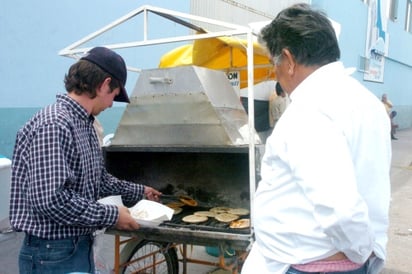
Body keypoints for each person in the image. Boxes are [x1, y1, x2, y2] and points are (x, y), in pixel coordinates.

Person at [242, 4, 391, 274]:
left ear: (288, 60)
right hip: (337, 260)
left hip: (312, 265)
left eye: (274, 63)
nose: (275, 71)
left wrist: (358, 252)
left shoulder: (311, 109)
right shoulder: (365, 101)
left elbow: (340, 207)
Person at [9, 46, 162, 274]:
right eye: (114, 94)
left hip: (75, 246)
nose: (111, 104)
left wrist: (140, 191)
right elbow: (51, 200)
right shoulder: (55, 124)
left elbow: (97, 180)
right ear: (103, 84)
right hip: (51, 254)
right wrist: (112, 216)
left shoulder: (85, 125)